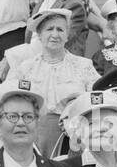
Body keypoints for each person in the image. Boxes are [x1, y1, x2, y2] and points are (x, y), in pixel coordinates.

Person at [8, 8, 99, 154]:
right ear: (39, 35)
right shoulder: (25, 69)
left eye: (60, 30)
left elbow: (97, 101)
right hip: (34, 139)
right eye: (49, 29)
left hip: (74, 139)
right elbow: (10, 103)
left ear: (67, 35)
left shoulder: (84, 66)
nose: (55, 35)